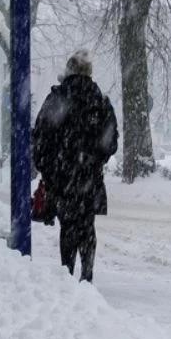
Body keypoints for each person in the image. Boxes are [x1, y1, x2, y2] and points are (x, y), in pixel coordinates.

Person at [32, 50, 118, 282]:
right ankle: (87, 275)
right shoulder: (99, 102)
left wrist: (49, 169)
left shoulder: (57, 99)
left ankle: (67, 275)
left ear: (69, 71)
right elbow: (110, 143)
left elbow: (40, 139)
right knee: (87, 225)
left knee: (67, 226)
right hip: (89, 177)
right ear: (89, 72)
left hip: (61, 178)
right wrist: (94, 160)